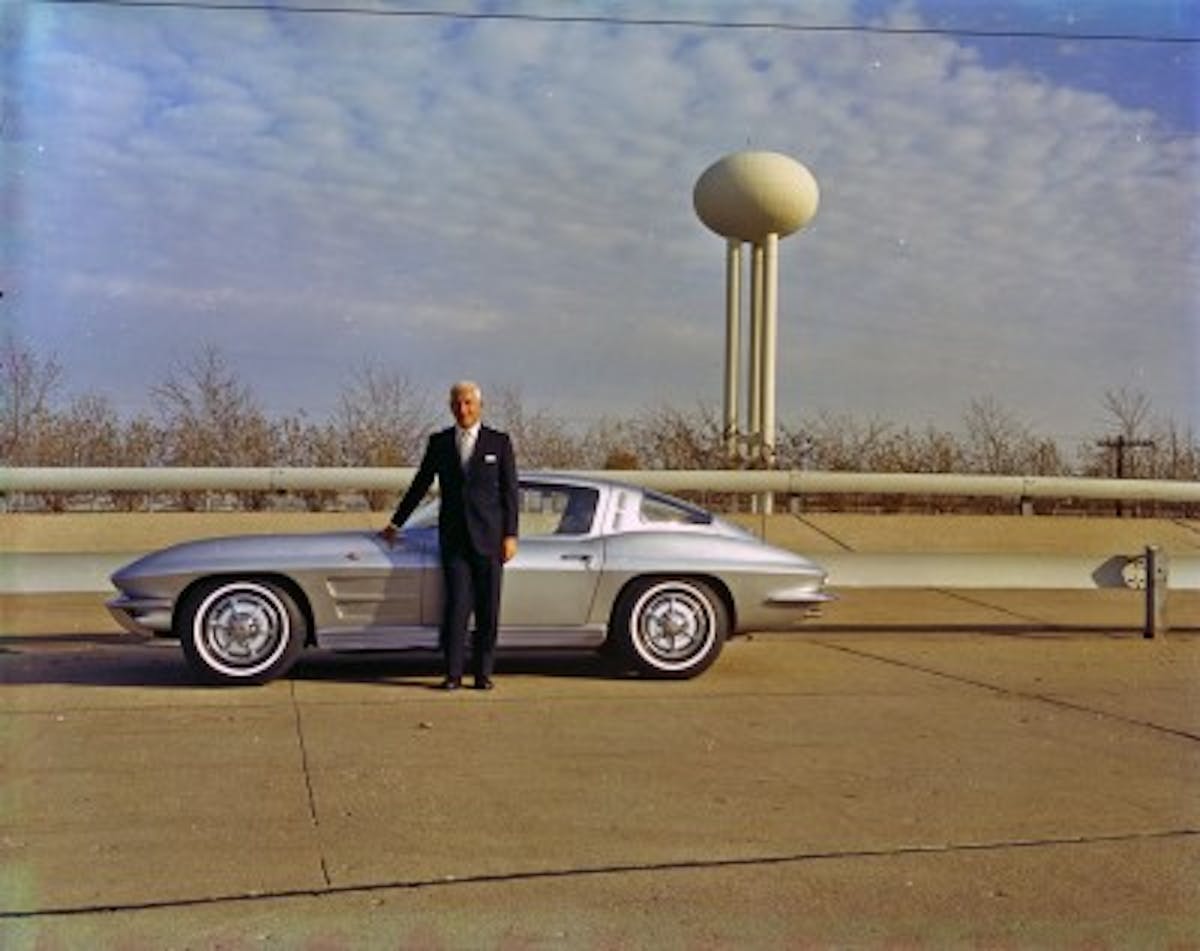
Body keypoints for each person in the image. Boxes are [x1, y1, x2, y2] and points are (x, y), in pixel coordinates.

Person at [381, 381, 519, 691]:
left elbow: (510, 493)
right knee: (456, 608)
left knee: (488, 610)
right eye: (457, 404)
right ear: (450, 407)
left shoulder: (499, 442)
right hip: (455, 540)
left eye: (469, 403)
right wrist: (396, 523)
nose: (463, 409)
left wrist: (510, 535)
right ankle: (453, 674)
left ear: (480, 405)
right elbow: (420, 485)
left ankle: (483, 674)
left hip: (490, 540)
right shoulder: (440, 442)